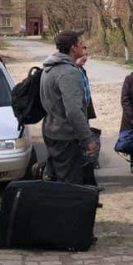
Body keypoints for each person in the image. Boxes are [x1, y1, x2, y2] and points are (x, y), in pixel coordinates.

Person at [39, 30, 98, 184]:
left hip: (52, 131)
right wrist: (87, 139)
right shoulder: (68, 72)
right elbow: (73, 111)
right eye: (80, 44)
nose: (83, 47)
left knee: (55, 181)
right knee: (70, 186)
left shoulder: (49, 67)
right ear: (73, 48)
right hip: (66, 137)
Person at [75, 44, 99, 182]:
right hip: (77, 115)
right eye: (82, 55)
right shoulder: (72, 72)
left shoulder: (82, 71)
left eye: (86, 55)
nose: (85, 58)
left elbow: (87, 94)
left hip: (84, 113)